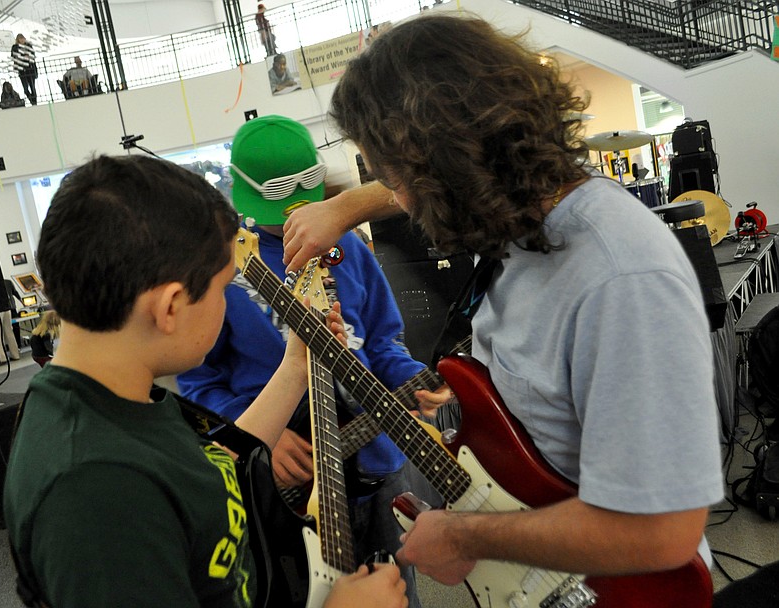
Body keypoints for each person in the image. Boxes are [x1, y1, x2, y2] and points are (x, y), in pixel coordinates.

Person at [282, 13, 724, 592]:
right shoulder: (522, 227)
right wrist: (348, 207)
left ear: (450, 164)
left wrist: (466, 535)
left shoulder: (619, 278)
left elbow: (660, 530)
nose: (405, 205)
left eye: (400, 180)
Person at [3, 154, 408, 608]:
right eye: (224, 288)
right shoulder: (95, 491)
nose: (226, 303)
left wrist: (297, 365)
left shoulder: (116, 395)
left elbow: (211, 465)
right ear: (171, 307)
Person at [177, 115, 449, 608]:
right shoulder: (228, 267)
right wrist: (261, 435)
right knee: (309, 595)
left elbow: (383, 343)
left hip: (377, 463)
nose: (289, 217)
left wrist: (415, 381)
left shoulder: (347, 245)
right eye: (277, 205)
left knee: (395, 592)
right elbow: (199, 384)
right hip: (288, 480)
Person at [11, 33, 37, 105]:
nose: (22, 40)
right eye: (20, 39)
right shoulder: (15, 47)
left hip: (30, 69)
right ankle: (32, 101)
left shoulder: (28, 45)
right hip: (22, 70)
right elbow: (14, 56)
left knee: (33, 87)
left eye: (23, 39)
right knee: (25, 89)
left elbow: (32, 55)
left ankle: (34, 102)